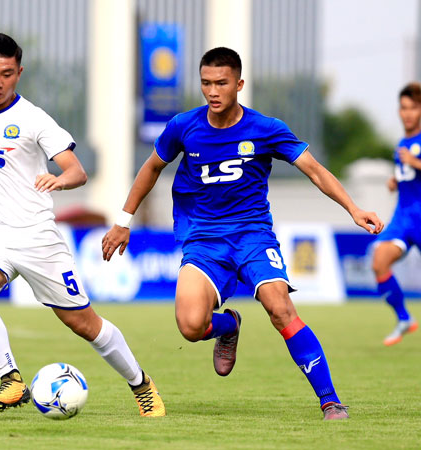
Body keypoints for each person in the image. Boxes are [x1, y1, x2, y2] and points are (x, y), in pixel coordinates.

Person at [102, 47, 384, 421]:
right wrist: (123, 220)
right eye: (206, 83)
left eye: (221, 83)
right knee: (189, 326)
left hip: (253, 237)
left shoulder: (266, 129)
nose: (213, 91)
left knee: (280, 308)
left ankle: (330, 401)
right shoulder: (183, 126)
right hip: (203, 241)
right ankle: (229, 325)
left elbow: (315, 170)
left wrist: (354, 208)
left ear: (239, 84)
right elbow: (152, 167)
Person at [0, 31, 165, 417]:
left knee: (84, 324)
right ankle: (11, 379)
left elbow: (77, 171)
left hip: (37, 237)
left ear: (19, 73)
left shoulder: (32, 118)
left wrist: (60, 179)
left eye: (6, 73)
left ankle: (141, 384)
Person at [371, 82, 421, 346]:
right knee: (379, 261)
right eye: (404, 108)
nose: (408, 114)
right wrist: (396, 179)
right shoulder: (402, 143)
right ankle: (404, 317)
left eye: (413, 108)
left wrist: (415, 164)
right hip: (404, 218)